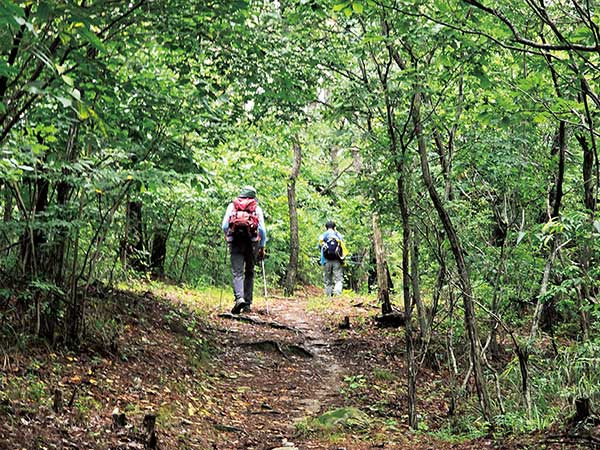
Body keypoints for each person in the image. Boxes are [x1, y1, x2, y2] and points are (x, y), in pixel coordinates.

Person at [222, 186, 267, 314]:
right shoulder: (256, 209)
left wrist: (228, 236)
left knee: (237, 272)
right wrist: (262, 245)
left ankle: (239, 298)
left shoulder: (232, 206)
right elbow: (262, 230)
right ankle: (247, 303)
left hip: (236, 242)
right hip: (252, 243)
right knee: (249, 271)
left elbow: (225, 225)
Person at [318, 220, 348, 296]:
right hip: (337, 260)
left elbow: (319, 247)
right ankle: (337, 294)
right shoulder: (338, 235)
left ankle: (328, 295)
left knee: (328, 279)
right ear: (334, 227)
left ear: (326, 227)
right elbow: (343, 247)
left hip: (326, 260)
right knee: (338, 279)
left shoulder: (323, 235)